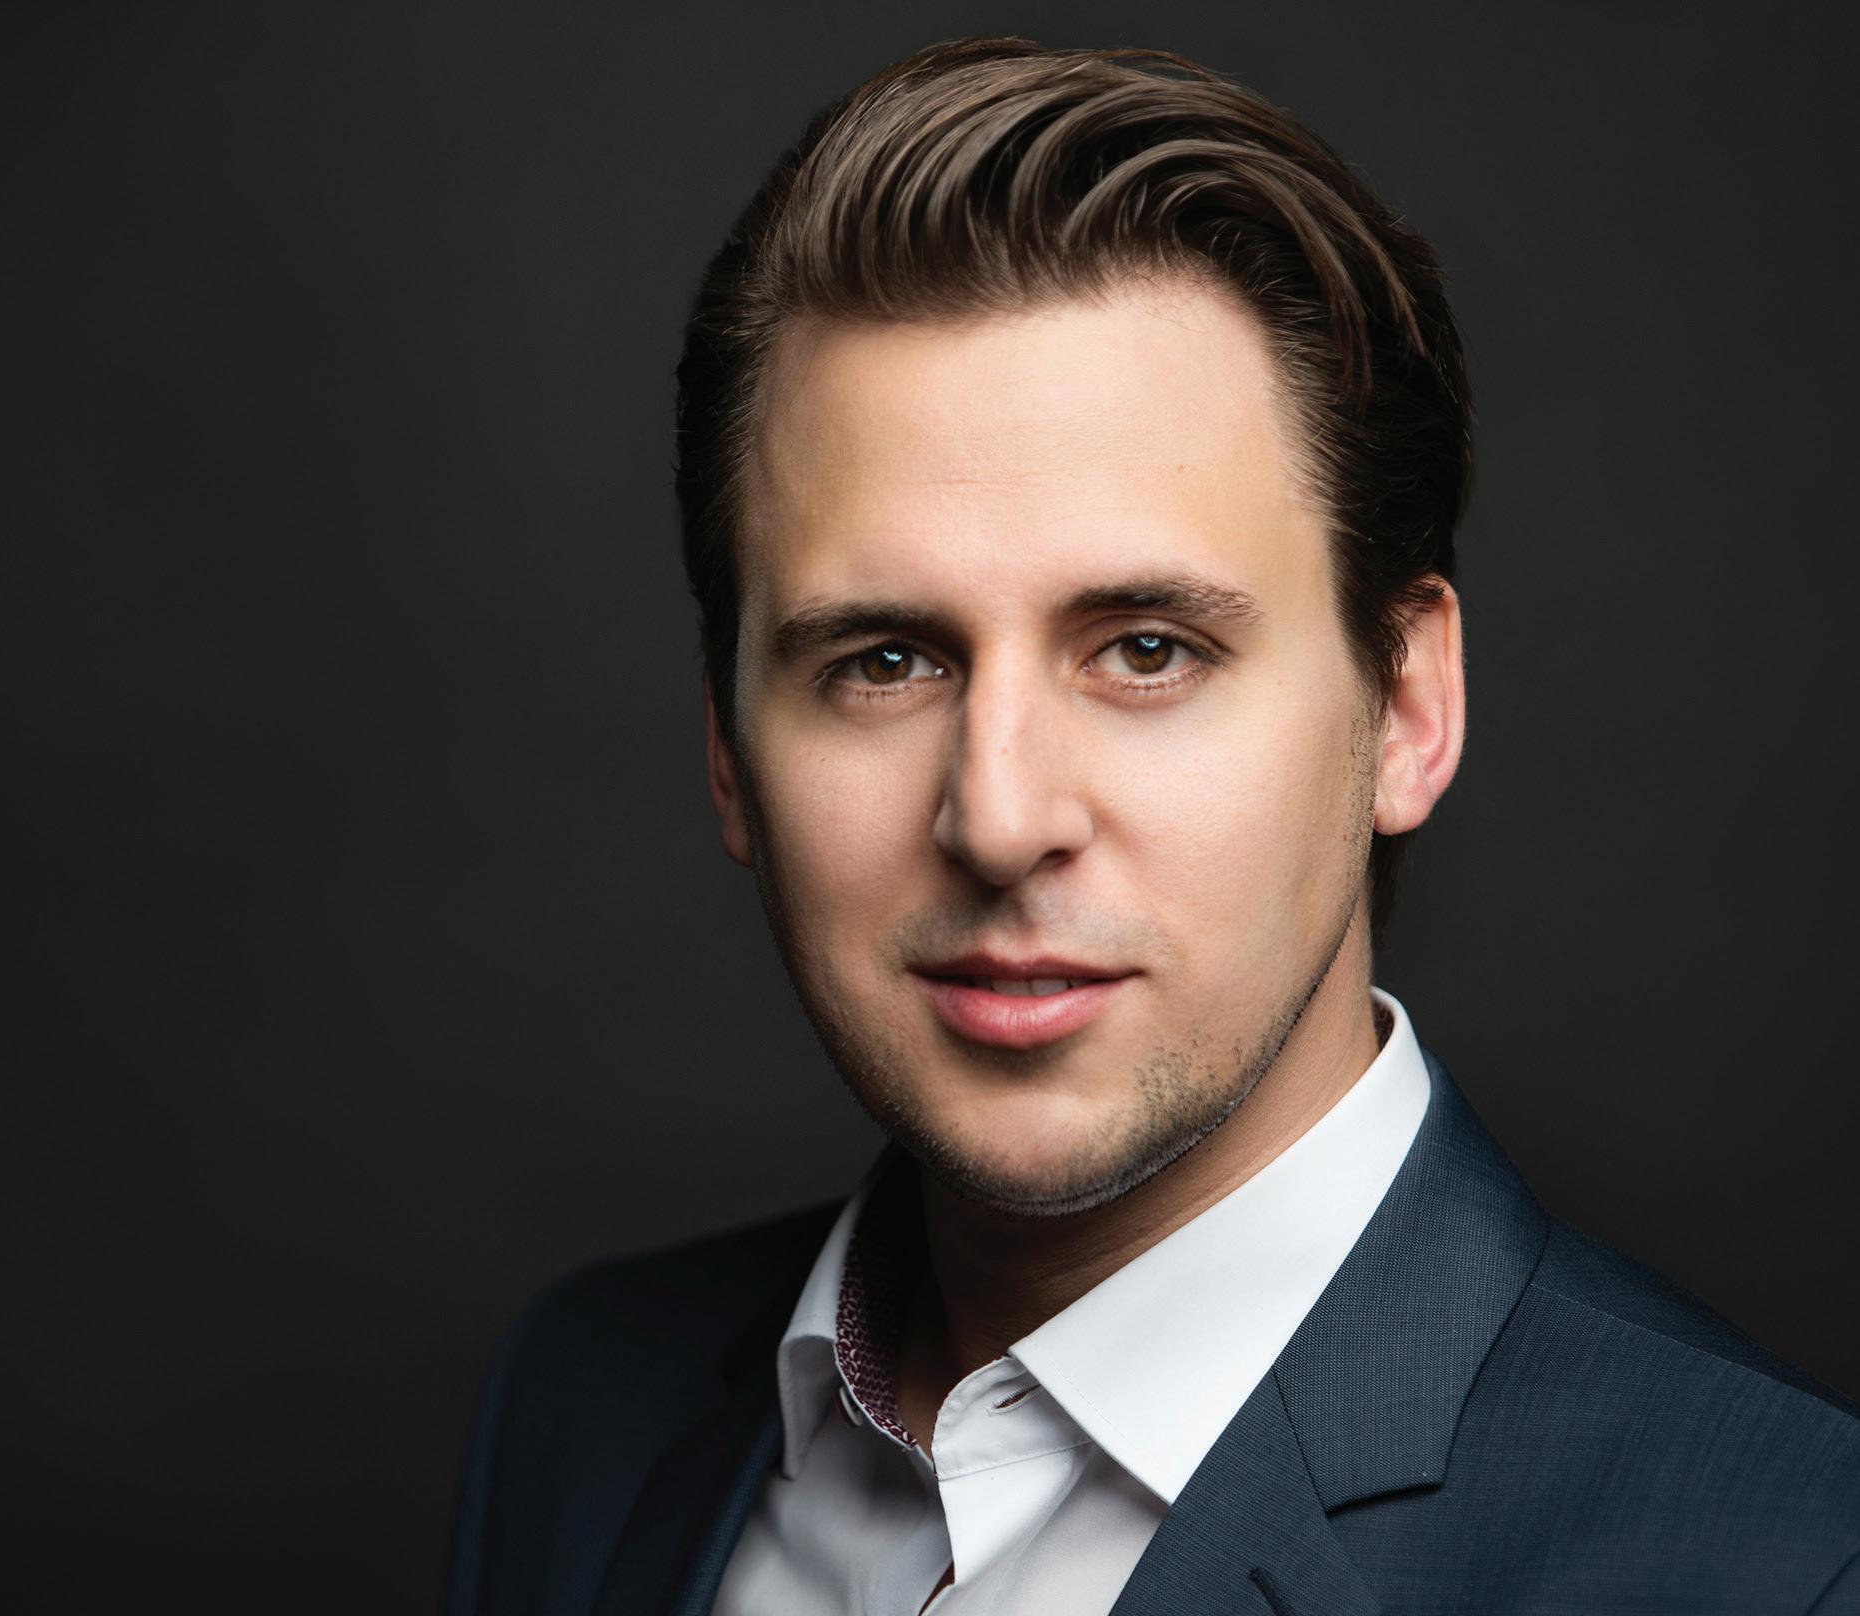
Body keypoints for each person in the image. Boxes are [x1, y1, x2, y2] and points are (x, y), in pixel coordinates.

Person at [445, 37, 1860, 1615]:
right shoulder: (584, 1407)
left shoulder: (1785, 1565)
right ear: (727, 749)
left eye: (1144, 650)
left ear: (1405, 710)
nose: (998, 818)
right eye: (885, 661)